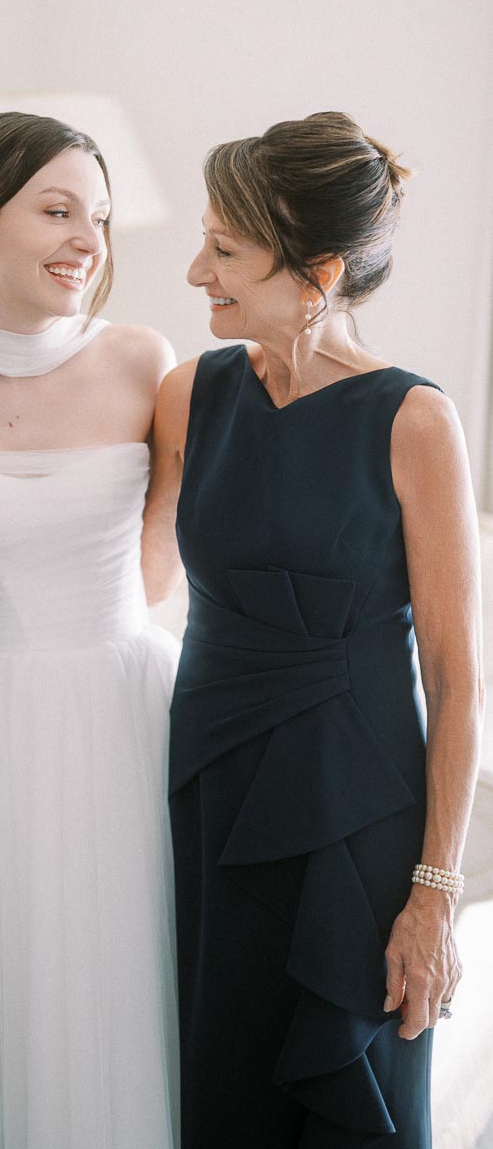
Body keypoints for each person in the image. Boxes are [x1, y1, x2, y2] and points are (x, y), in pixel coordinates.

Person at [147, 111, 484, 1147]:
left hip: (358, 803)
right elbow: (128, 574)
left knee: (353, 1095)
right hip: (216, 782)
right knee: (227, 1081)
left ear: (319, 270)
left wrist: (435, 892)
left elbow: (458, 675)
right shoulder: (188, 393)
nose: (198, 270)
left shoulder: (414, 420)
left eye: (226, 249)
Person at [0, 111, 183, 1149]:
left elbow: (165, 541)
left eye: (98, 219)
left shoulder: (148, 362)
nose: (87, 242)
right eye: (56, 211)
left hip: (117, 708)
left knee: (107, 967)